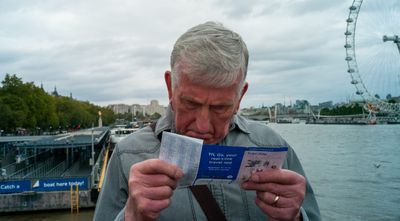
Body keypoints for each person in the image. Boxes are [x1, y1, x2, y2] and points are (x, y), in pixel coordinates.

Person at [93, 22, 320, 221]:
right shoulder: (127, 155)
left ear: (241, 96)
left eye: (220, 108)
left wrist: (297, 217)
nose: (202, 126)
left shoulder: (273, 146)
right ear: (170, 86)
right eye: (190, 104)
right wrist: (132, 217)